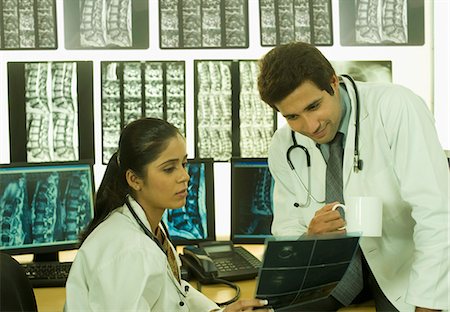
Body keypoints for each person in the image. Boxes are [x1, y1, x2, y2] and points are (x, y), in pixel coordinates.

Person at [257, 42, 449, 311]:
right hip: (333, 272)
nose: (310, 126)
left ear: (333, 82)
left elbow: (438, 213)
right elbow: (286, 231)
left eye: (314, 106)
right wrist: (311, 239)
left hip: (403, 268)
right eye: (292, 116)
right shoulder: (284, 144)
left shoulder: (396, 107)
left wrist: (427, 304)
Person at [65, 118, 271, 312]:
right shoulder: (131, 250)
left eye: (184, 163)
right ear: (134, 179)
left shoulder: (148, 226)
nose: (185, 176)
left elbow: (176, 291)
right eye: (169, 169)